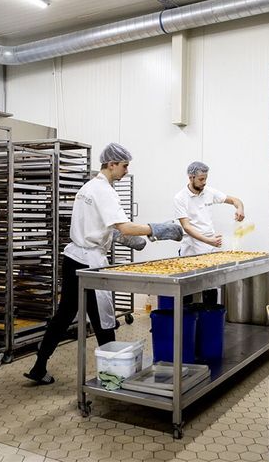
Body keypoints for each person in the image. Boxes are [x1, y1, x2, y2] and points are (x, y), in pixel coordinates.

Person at [24, 143, 182, 385]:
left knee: (64, 315)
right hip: (90, 263)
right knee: (103, 318)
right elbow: (125, 226)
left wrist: (123, 239)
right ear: (111, 164)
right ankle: (114, 375)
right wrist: (157, 230)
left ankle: (39, 366)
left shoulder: (87, 188)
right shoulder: (105, 191)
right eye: (124, 166)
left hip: (73, 258)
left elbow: (98, 226)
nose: (126, 171)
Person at [173, 161, 245, 304]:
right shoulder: (180, 198)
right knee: (186, 286)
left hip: (209, 245)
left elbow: (235, 200)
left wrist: (240, 208)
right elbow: (186, 227)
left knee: (210, 285)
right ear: (191, 177)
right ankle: (187, 321)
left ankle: (208, 319)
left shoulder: (209, 192)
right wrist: (209, 241)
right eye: (201, 179)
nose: (204, 182)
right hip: (191, 247)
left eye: (205, 178)